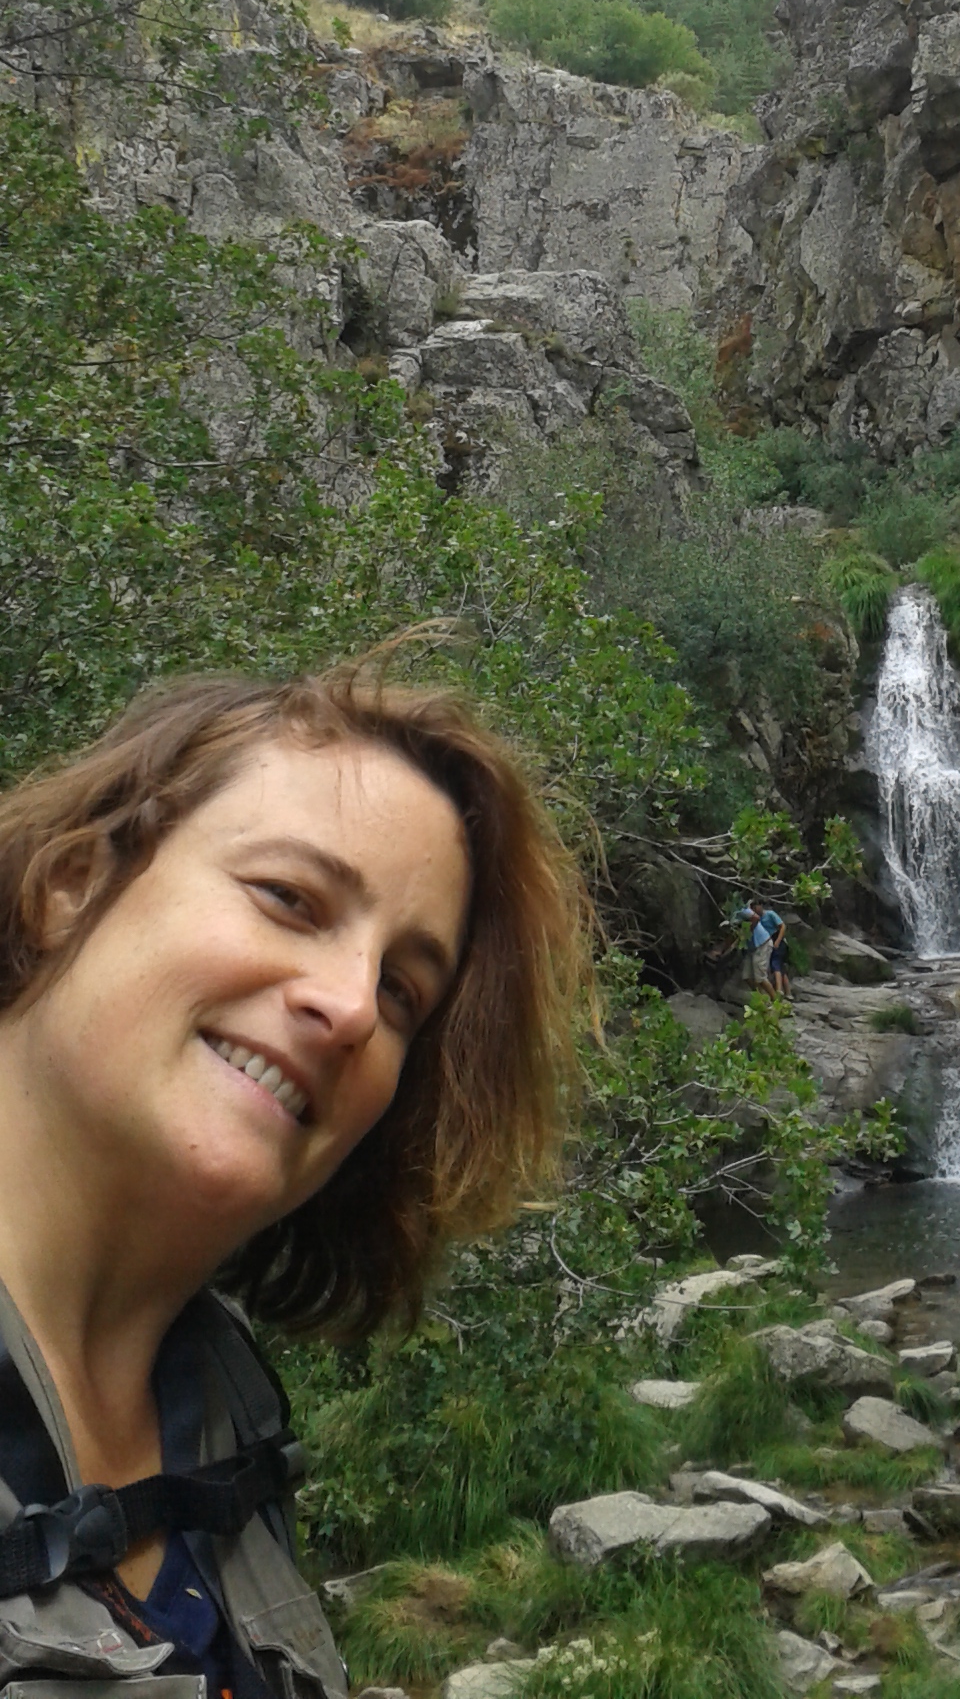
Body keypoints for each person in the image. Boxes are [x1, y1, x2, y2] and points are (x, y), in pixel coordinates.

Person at [0, 660, 586, 1699]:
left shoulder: (226, 1421)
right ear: (72, 883)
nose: (353, 1007)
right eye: (288, 898)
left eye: (402, 990)